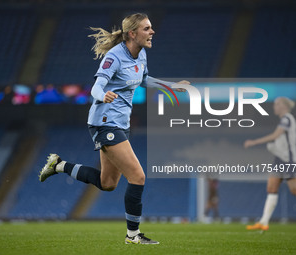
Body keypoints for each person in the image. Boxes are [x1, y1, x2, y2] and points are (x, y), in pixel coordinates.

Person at [39, 13, 188, 244]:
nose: (152, 32)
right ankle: (133, 236)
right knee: (138, 176)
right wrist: (103, 95)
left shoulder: (142, 55)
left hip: (120, 124)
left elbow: (144, 79)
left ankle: (58, 165)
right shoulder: (114, 57)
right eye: (147, 28)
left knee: (107, 184)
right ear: (132, 33)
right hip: (104, 122)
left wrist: (171, 86)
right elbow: (96, 87)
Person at [244, 97, 296, 231]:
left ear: (284, 106)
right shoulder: (284, 120)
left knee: (294, 189)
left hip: (288, 159)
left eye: (277, 104)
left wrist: (254, 142)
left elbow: (275, 135)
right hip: (279, 158)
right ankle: (264, 222)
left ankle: (263, 222)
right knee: (271, 188)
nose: (274, 107)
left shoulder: (287, 119)